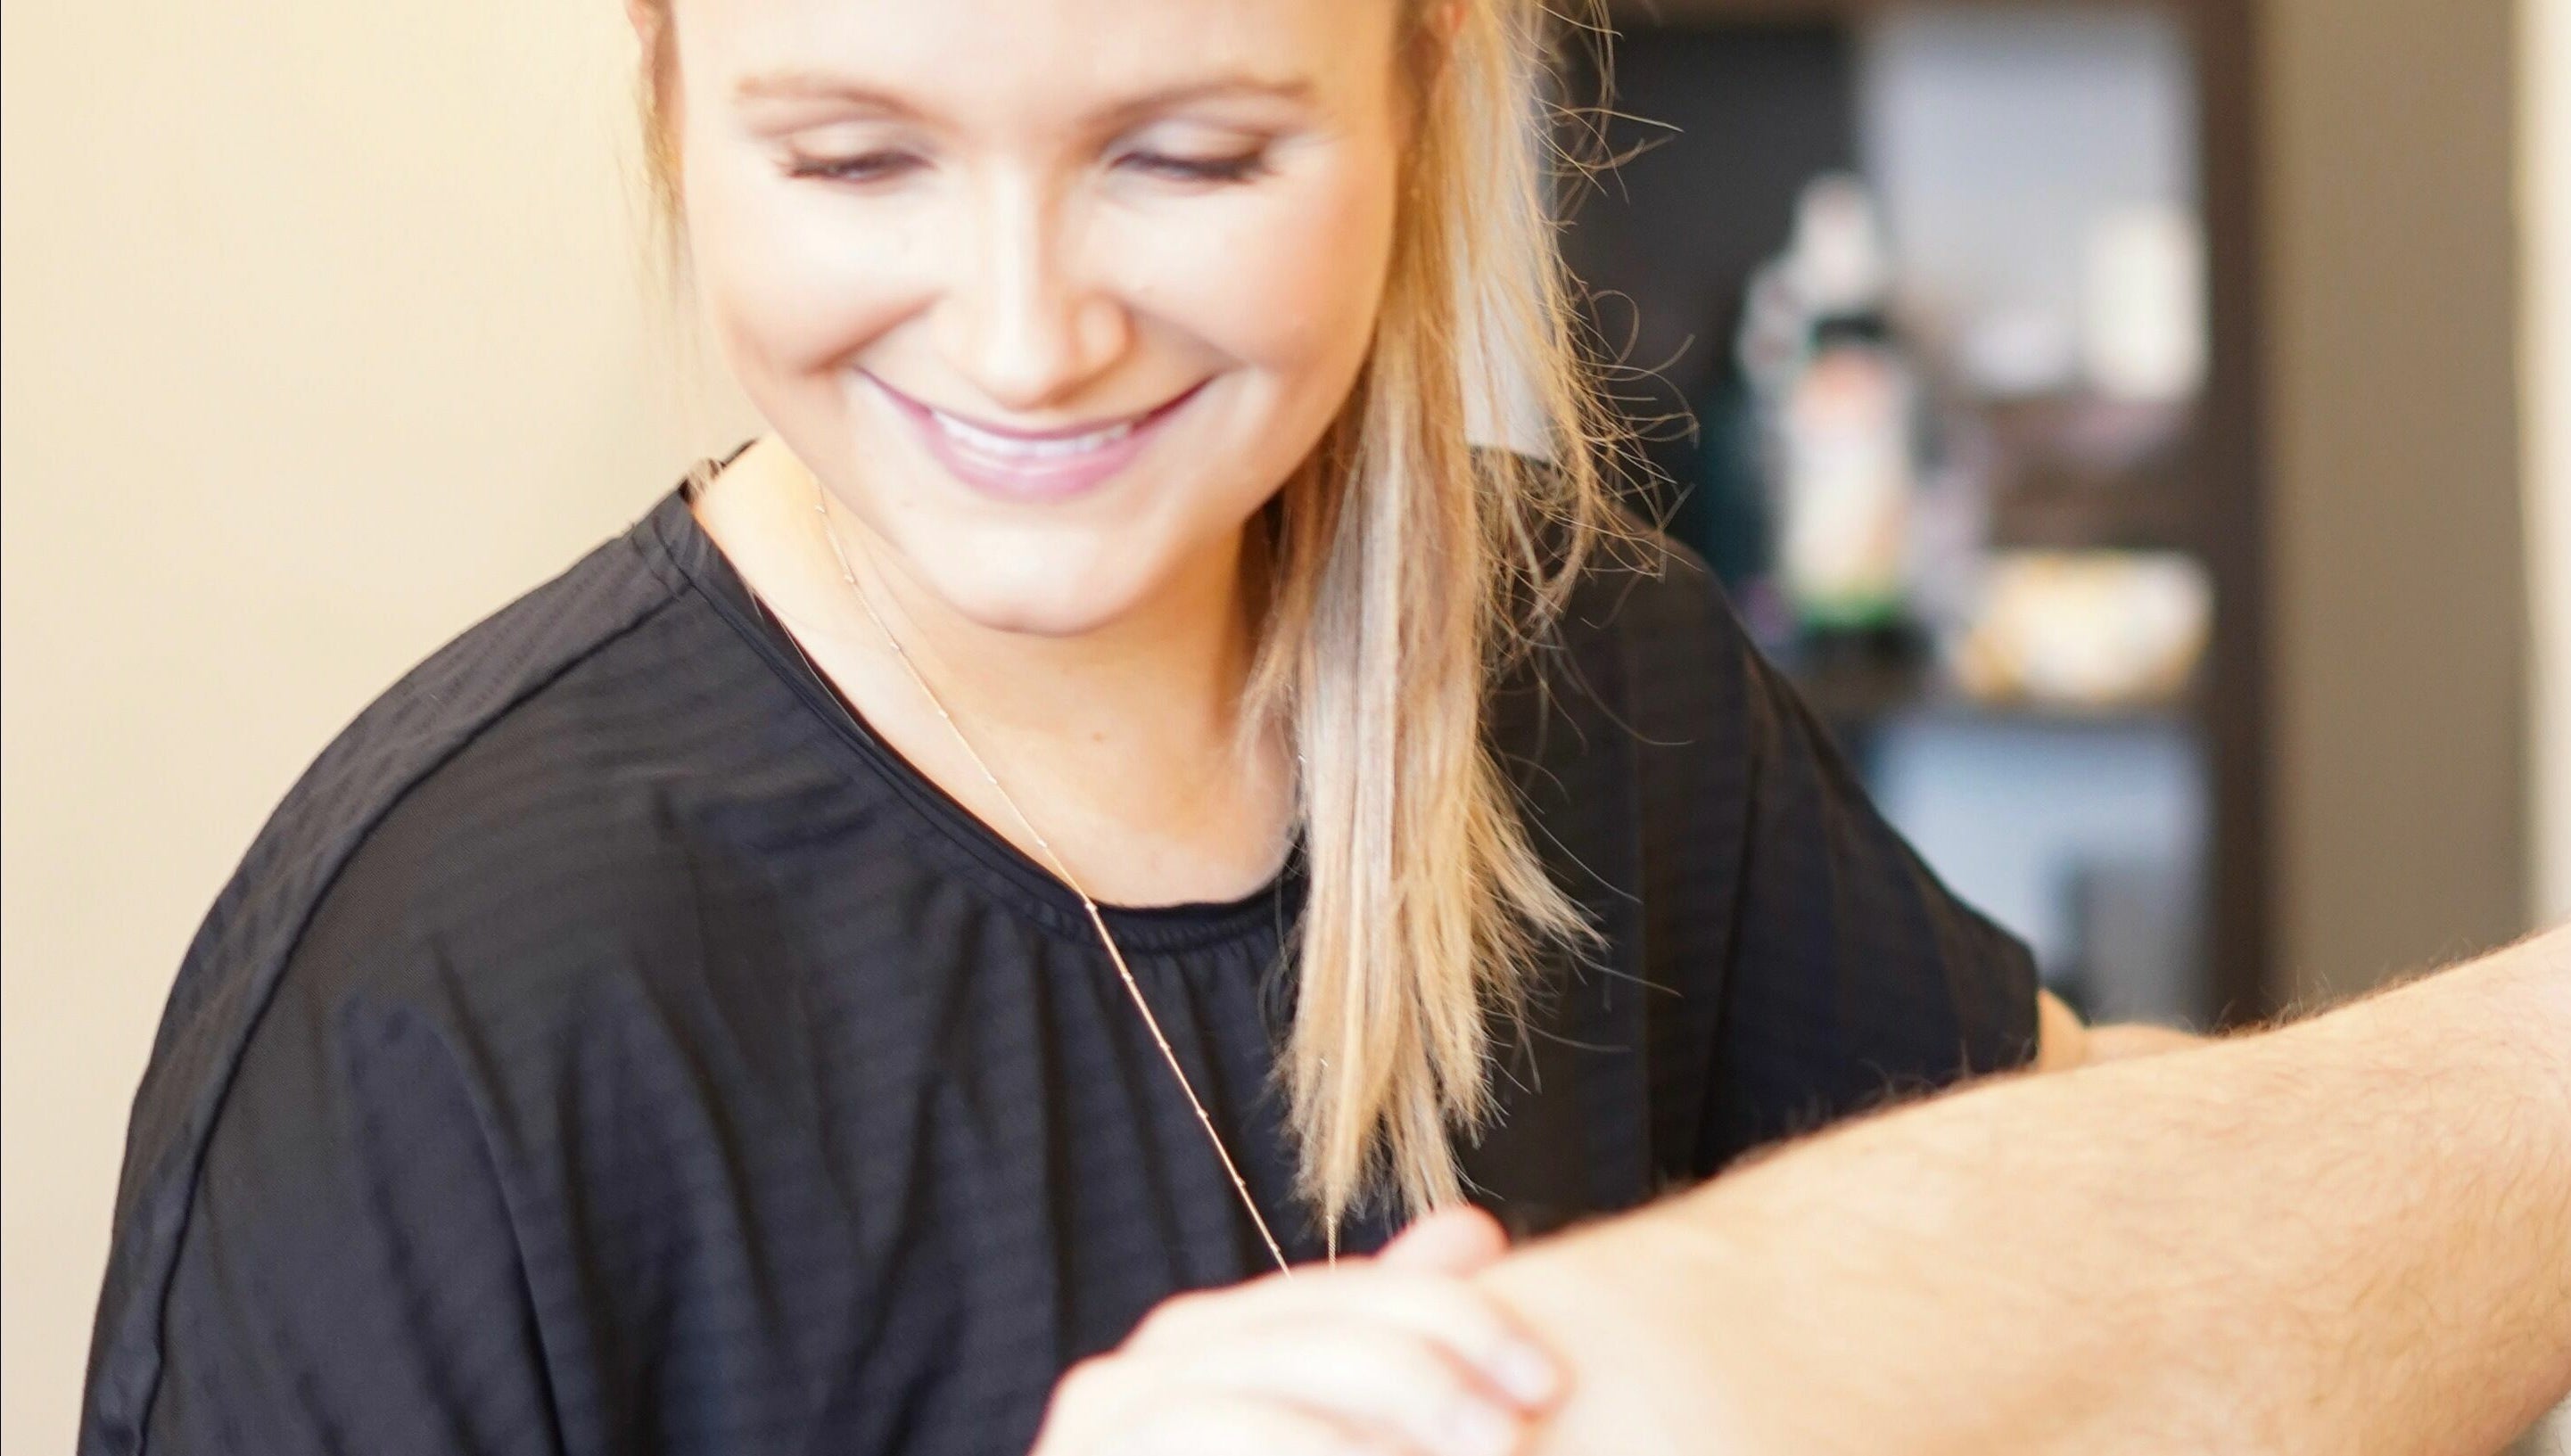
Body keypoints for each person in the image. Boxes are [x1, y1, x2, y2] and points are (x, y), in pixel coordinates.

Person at [73, 1, 2563, 1454]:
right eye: (852, 158)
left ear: (1422, 80)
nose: (1025, 332)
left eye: (1187, 154)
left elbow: (2123, 1270)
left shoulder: (1598, 676)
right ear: (662, 79)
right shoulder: (435, 995)